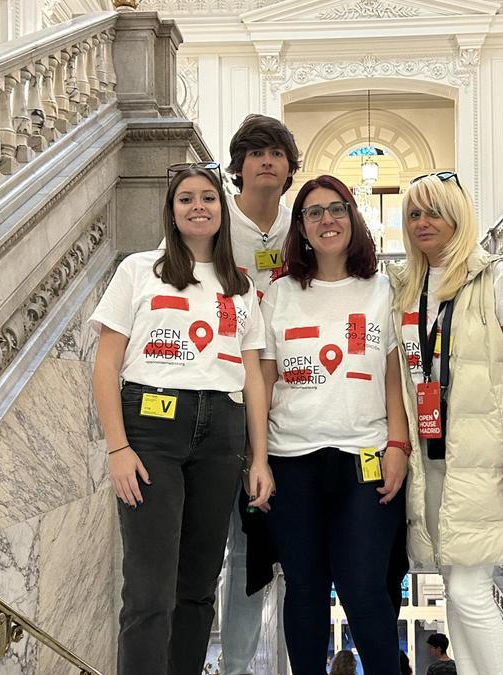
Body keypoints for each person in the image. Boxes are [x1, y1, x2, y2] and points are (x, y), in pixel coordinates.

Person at [90, 163, 275, 675]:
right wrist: (117, 447)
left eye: (208, 199)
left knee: (198, 588)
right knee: (150, 590)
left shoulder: (239, 286)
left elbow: (254, 377)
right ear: (171, 212)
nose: (199, 207)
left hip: (222, 433)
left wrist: (258, 458)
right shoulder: (138, 271)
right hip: (151, 431)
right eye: (186, 199)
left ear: (222, 210)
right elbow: (106, 364)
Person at [390, 172, 503, 675]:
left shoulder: (496, 276)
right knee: (453, 590)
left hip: (484, 458)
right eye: (414, 213)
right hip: (433, 461)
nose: (422, 222)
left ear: (458, 216)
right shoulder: (406, 287)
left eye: (433, 211)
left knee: (468, 587)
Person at [259, 175, 409, 675]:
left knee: (365, 589)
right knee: (304, 589)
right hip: (291, 458)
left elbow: (394, 376)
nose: (327, 220)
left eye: (337, 209)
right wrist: (257, 459)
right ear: (300, 227)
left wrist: (398, 446)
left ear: (353, 218)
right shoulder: (278, 295)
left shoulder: (383, 290)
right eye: (314, 212)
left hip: (364, 455)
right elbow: (262, 381)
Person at [219, 113, 300, 675]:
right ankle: (236, 665)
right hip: (227, 398)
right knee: (244, 554)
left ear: (290, 168)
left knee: (298, 560)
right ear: (240, 166)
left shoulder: (304, 226)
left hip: (293, 406)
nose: (267, 160)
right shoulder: (214, 222)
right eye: (256, 152)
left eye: (276, 152)